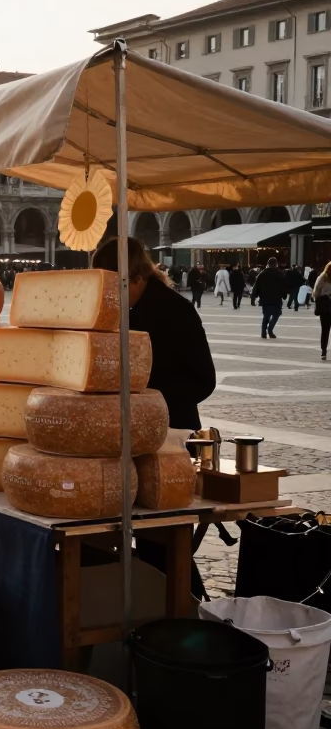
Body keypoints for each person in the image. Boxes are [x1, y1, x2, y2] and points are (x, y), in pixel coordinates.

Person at [92, 237, 216, 598]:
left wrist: (148, 400)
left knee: (161, 539)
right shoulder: (119, 310)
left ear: (137, 277)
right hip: (126, 435)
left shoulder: (176, 310)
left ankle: (187, 610)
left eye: (117, 286)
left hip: (170, 436)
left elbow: (203, 380)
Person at [252, 256, 288, 339]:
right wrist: (284, 295)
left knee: (266, 316)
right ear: (276, 264)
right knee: (276, 314)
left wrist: (255, 296)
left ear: (268, 264)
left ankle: (263, 333)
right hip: (276, 299)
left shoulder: (262, 274)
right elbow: (283, 286)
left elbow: (257, 287)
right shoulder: (280, 274)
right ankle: (270, 329)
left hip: (265, 299)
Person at [313, 263, 331, 360]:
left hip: (325, 307)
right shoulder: (322, 278)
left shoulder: (322, 278)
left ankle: (323, 351)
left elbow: (316, 293)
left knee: (325, 330)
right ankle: (323, 350)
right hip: (326, 307)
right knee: (325, 330)